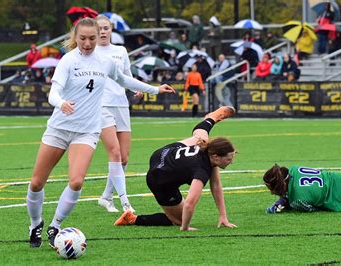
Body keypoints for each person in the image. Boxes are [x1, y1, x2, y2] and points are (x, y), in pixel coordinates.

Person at [26, 18, 175, 249]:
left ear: (99, 37)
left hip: (86, 131)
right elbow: (53, 93)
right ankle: (35, 223)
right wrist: (61, 103)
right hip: (59, 128)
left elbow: (124, 79)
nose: (87, 43)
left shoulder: (105, 61)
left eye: (91, 39)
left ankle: (55, 225)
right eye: (83, 38)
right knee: (36, 183)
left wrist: (154, 89)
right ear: (76, 37)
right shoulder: (68, 60)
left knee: (76, 182)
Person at [114, 106, 237, 231]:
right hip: (159, 178)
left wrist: (223, 216)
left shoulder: (208, 150)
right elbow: (189, 204)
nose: (231, 162)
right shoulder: (202, 170)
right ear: (216, 157)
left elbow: (215, 185)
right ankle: (132, 218)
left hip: (163, 153)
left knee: (200, 138)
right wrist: (185, 227)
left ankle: (211, 118)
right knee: (179, 219)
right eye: (228, 159)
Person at [94, 15, 143, 214]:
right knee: (114, 153)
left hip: (121, 105)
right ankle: (125, 203)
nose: (103, 32)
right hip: (101, 107)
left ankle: (106, 197)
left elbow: (126, 76)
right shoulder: (90, 53)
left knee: (123, 158)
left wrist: (135, 89)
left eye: (106, 28)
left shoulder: (120, 51)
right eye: (99, 29)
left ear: (111, 29)